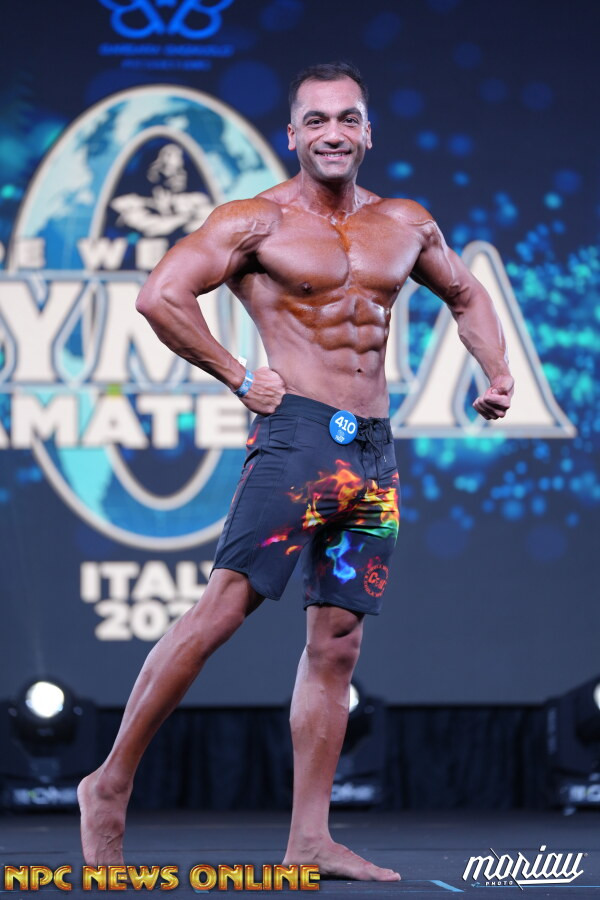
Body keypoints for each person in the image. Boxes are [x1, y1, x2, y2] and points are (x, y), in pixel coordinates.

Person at [78, 61, 514, 881]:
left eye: (347, 118)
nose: (333, 133)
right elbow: (161, 295)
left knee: (338, 643)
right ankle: (109, 783)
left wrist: (495, 372)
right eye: (316, 120)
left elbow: (465, 295)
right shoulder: (255, 221)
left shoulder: (405, 223)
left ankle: (309, 838)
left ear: (368, 131)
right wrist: (237, 375)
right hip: (299, 442)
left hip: (372, 453)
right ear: (293, 135)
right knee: (220, 612)